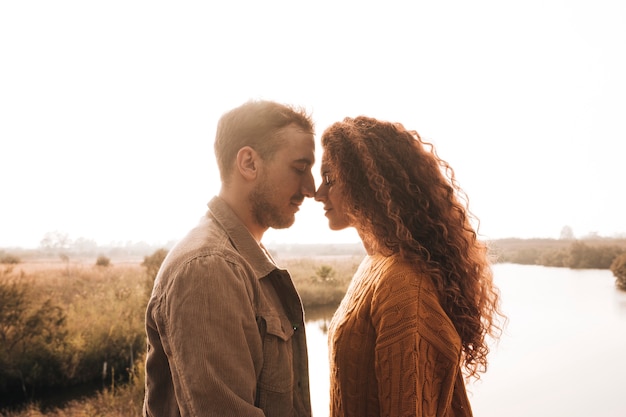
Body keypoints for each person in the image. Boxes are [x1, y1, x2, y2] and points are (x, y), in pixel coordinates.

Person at [314, 116, 504, 417]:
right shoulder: (375, 265)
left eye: (329, 179)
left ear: (363, 184)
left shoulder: (402, 284)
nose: (317, 194)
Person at [143, 100, 316, 417]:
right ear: (249, 163)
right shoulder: (210, 268)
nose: (311, 188)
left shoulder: (241, 258)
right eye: (300, 168)